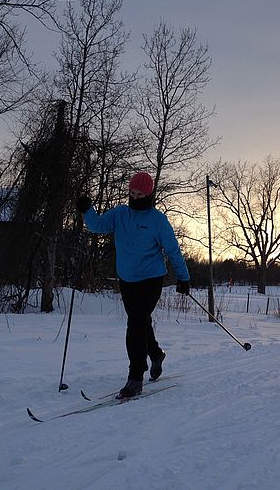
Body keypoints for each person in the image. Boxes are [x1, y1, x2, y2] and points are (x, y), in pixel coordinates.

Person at [76, 171, 190, 399]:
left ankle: (135, 377)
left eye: (139, 194)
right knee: (141, 321)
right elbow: (98, 225)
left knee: (135, 323)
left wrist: (183, 277)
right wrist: (87, 210)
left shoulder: (157, 220)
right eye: (132, 193)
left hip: (151, 279)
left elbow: (172, 250)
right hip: (127, 278)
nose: (135, 197)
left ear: (148, 194)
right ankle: (156, 354)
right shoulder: (120, 214)